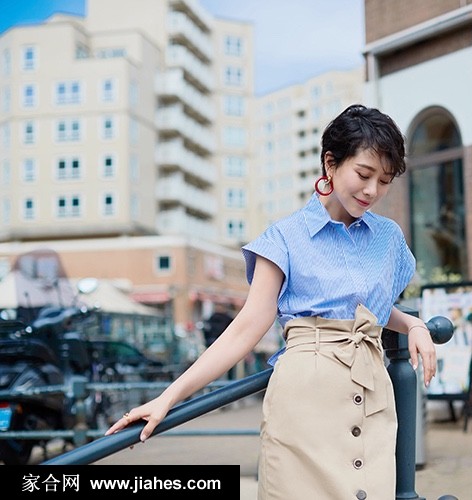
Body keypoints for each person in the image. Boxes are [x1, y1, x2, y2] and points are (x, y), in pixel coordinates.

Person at [105, 104, 437, 499]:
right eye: (364, 175)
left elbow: (367, 311)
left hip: (372, 399)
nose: (372, 191)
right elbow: (247, 326)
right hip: (304, 405)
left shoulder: (388, 238)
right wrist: (168, 398)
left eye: (384, 181)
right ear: (330, 164)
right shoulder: (285, 237)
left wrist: (413, 324)